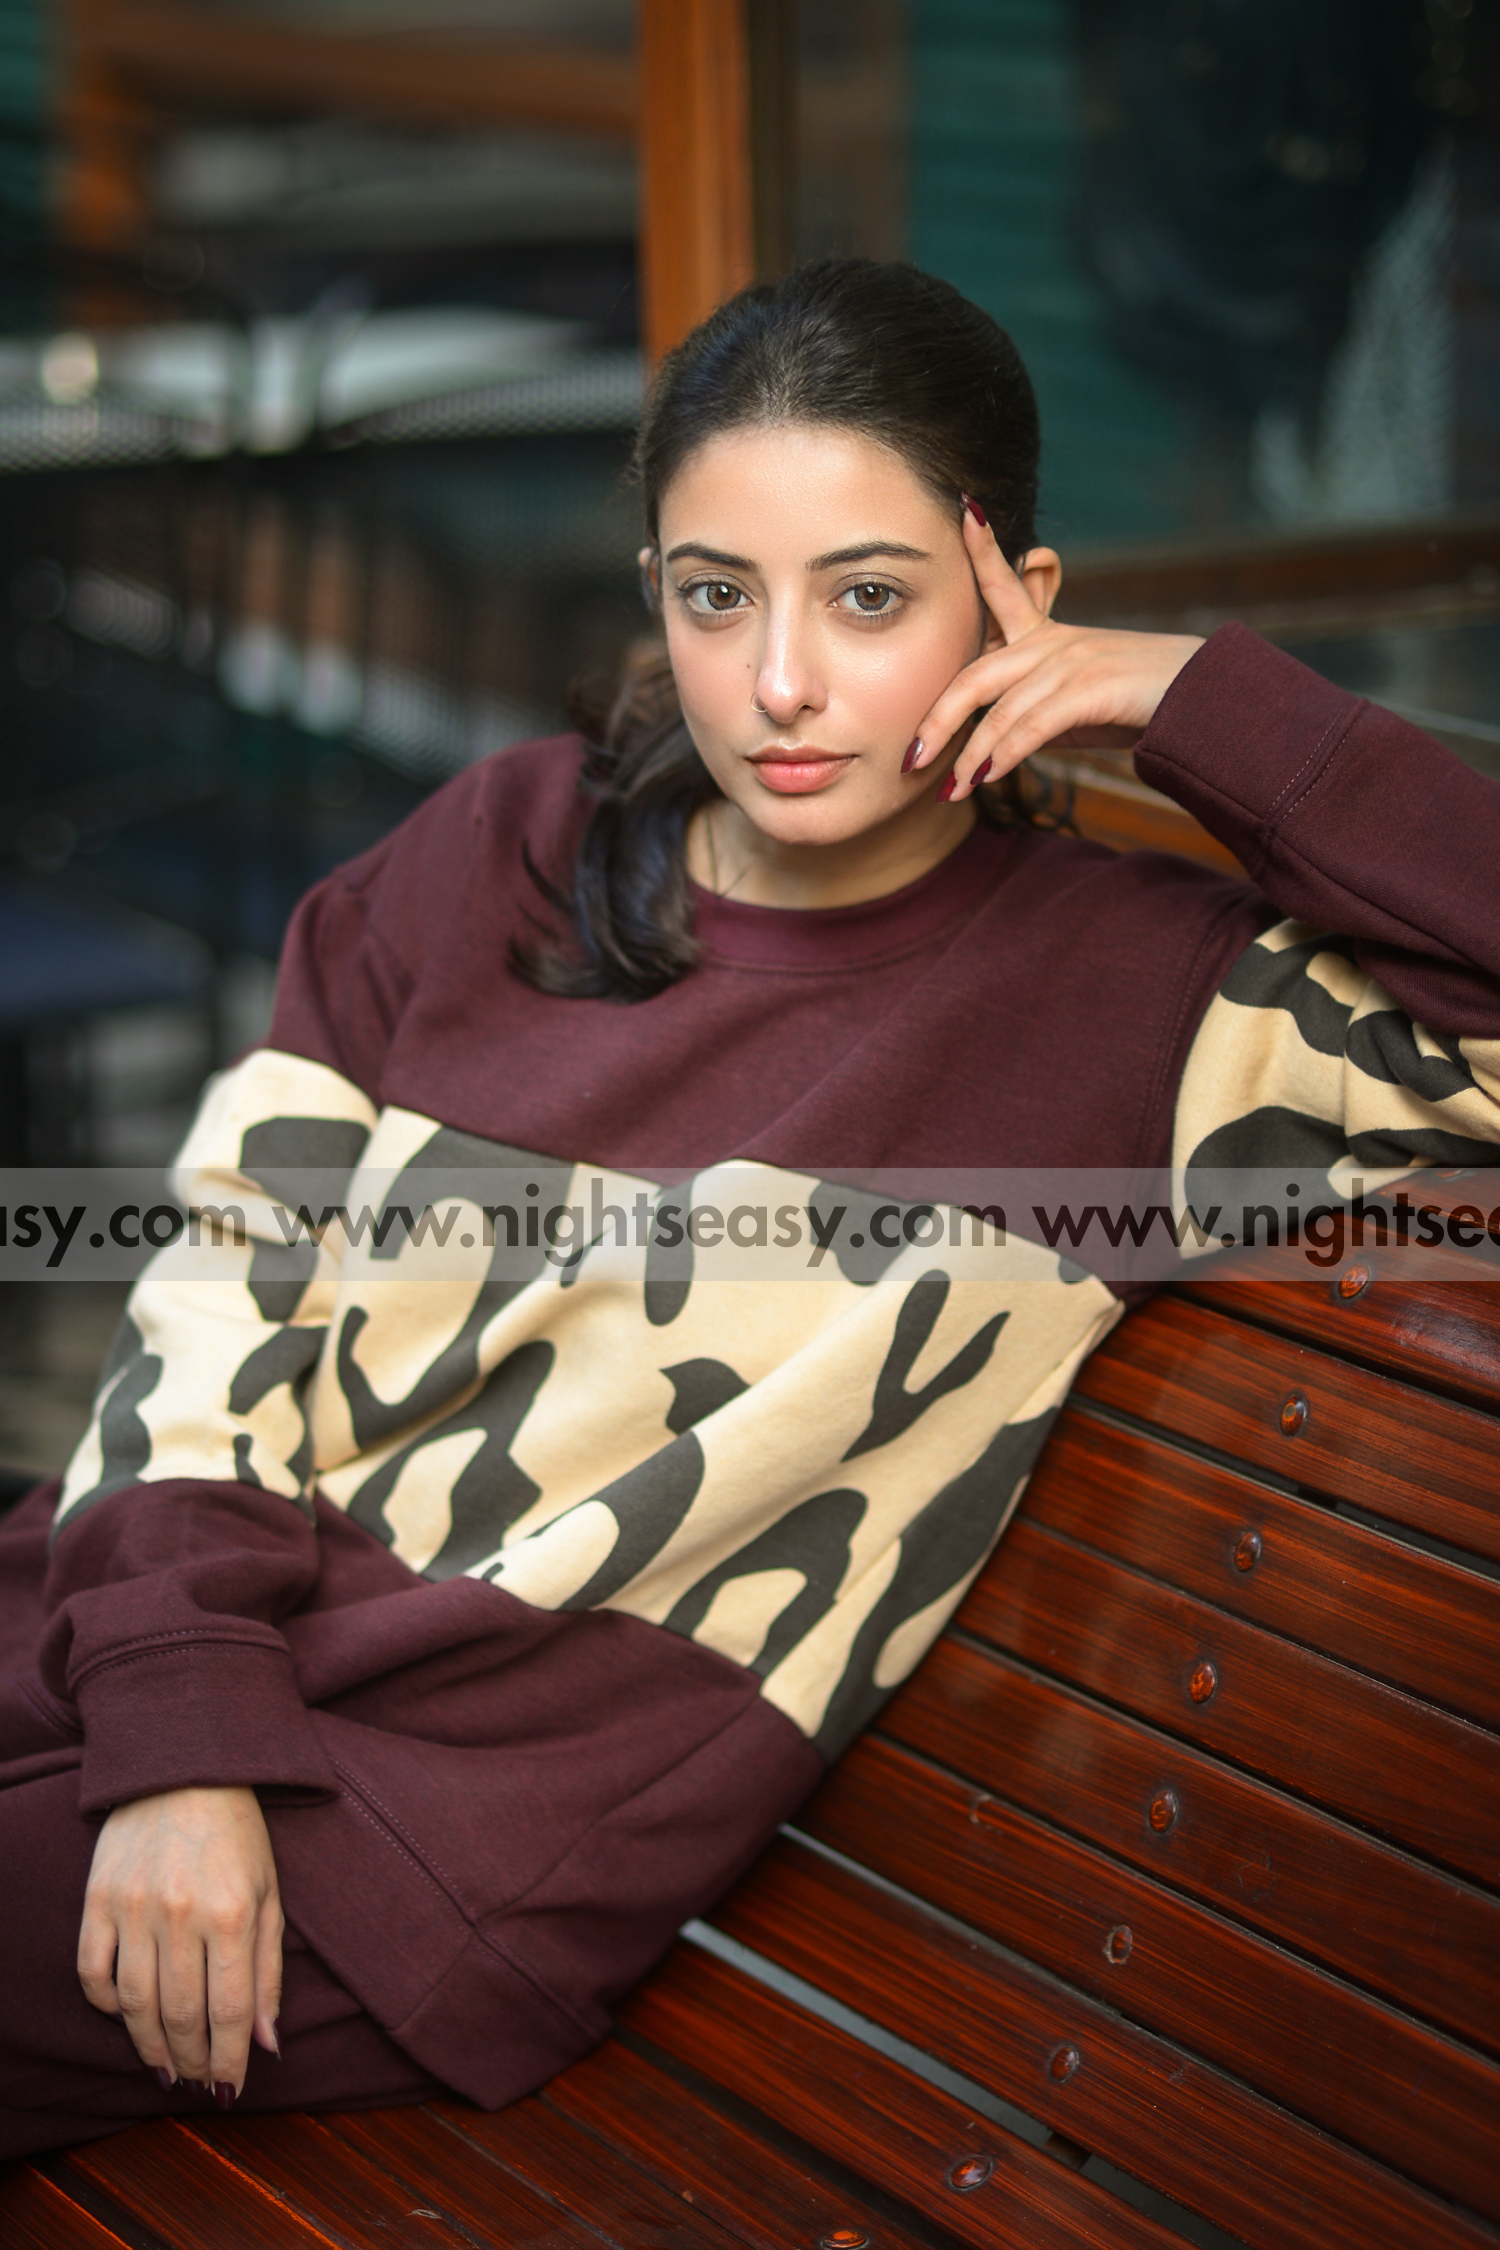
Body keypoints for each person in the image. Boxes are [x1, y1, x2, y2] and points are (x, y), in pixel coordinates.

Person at [2, 259, 1496, 2160]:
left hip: (403, 1845)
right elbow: (222, 1290)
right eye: (719, 596)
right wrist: (178, 1726)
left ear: (1018, 599)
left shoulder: (1151, 1017)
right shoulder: (508, 849)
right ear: (658, 598)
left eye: (869, 597)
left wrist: (1194, 700)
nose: (781, 680)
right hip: (140, 1657)